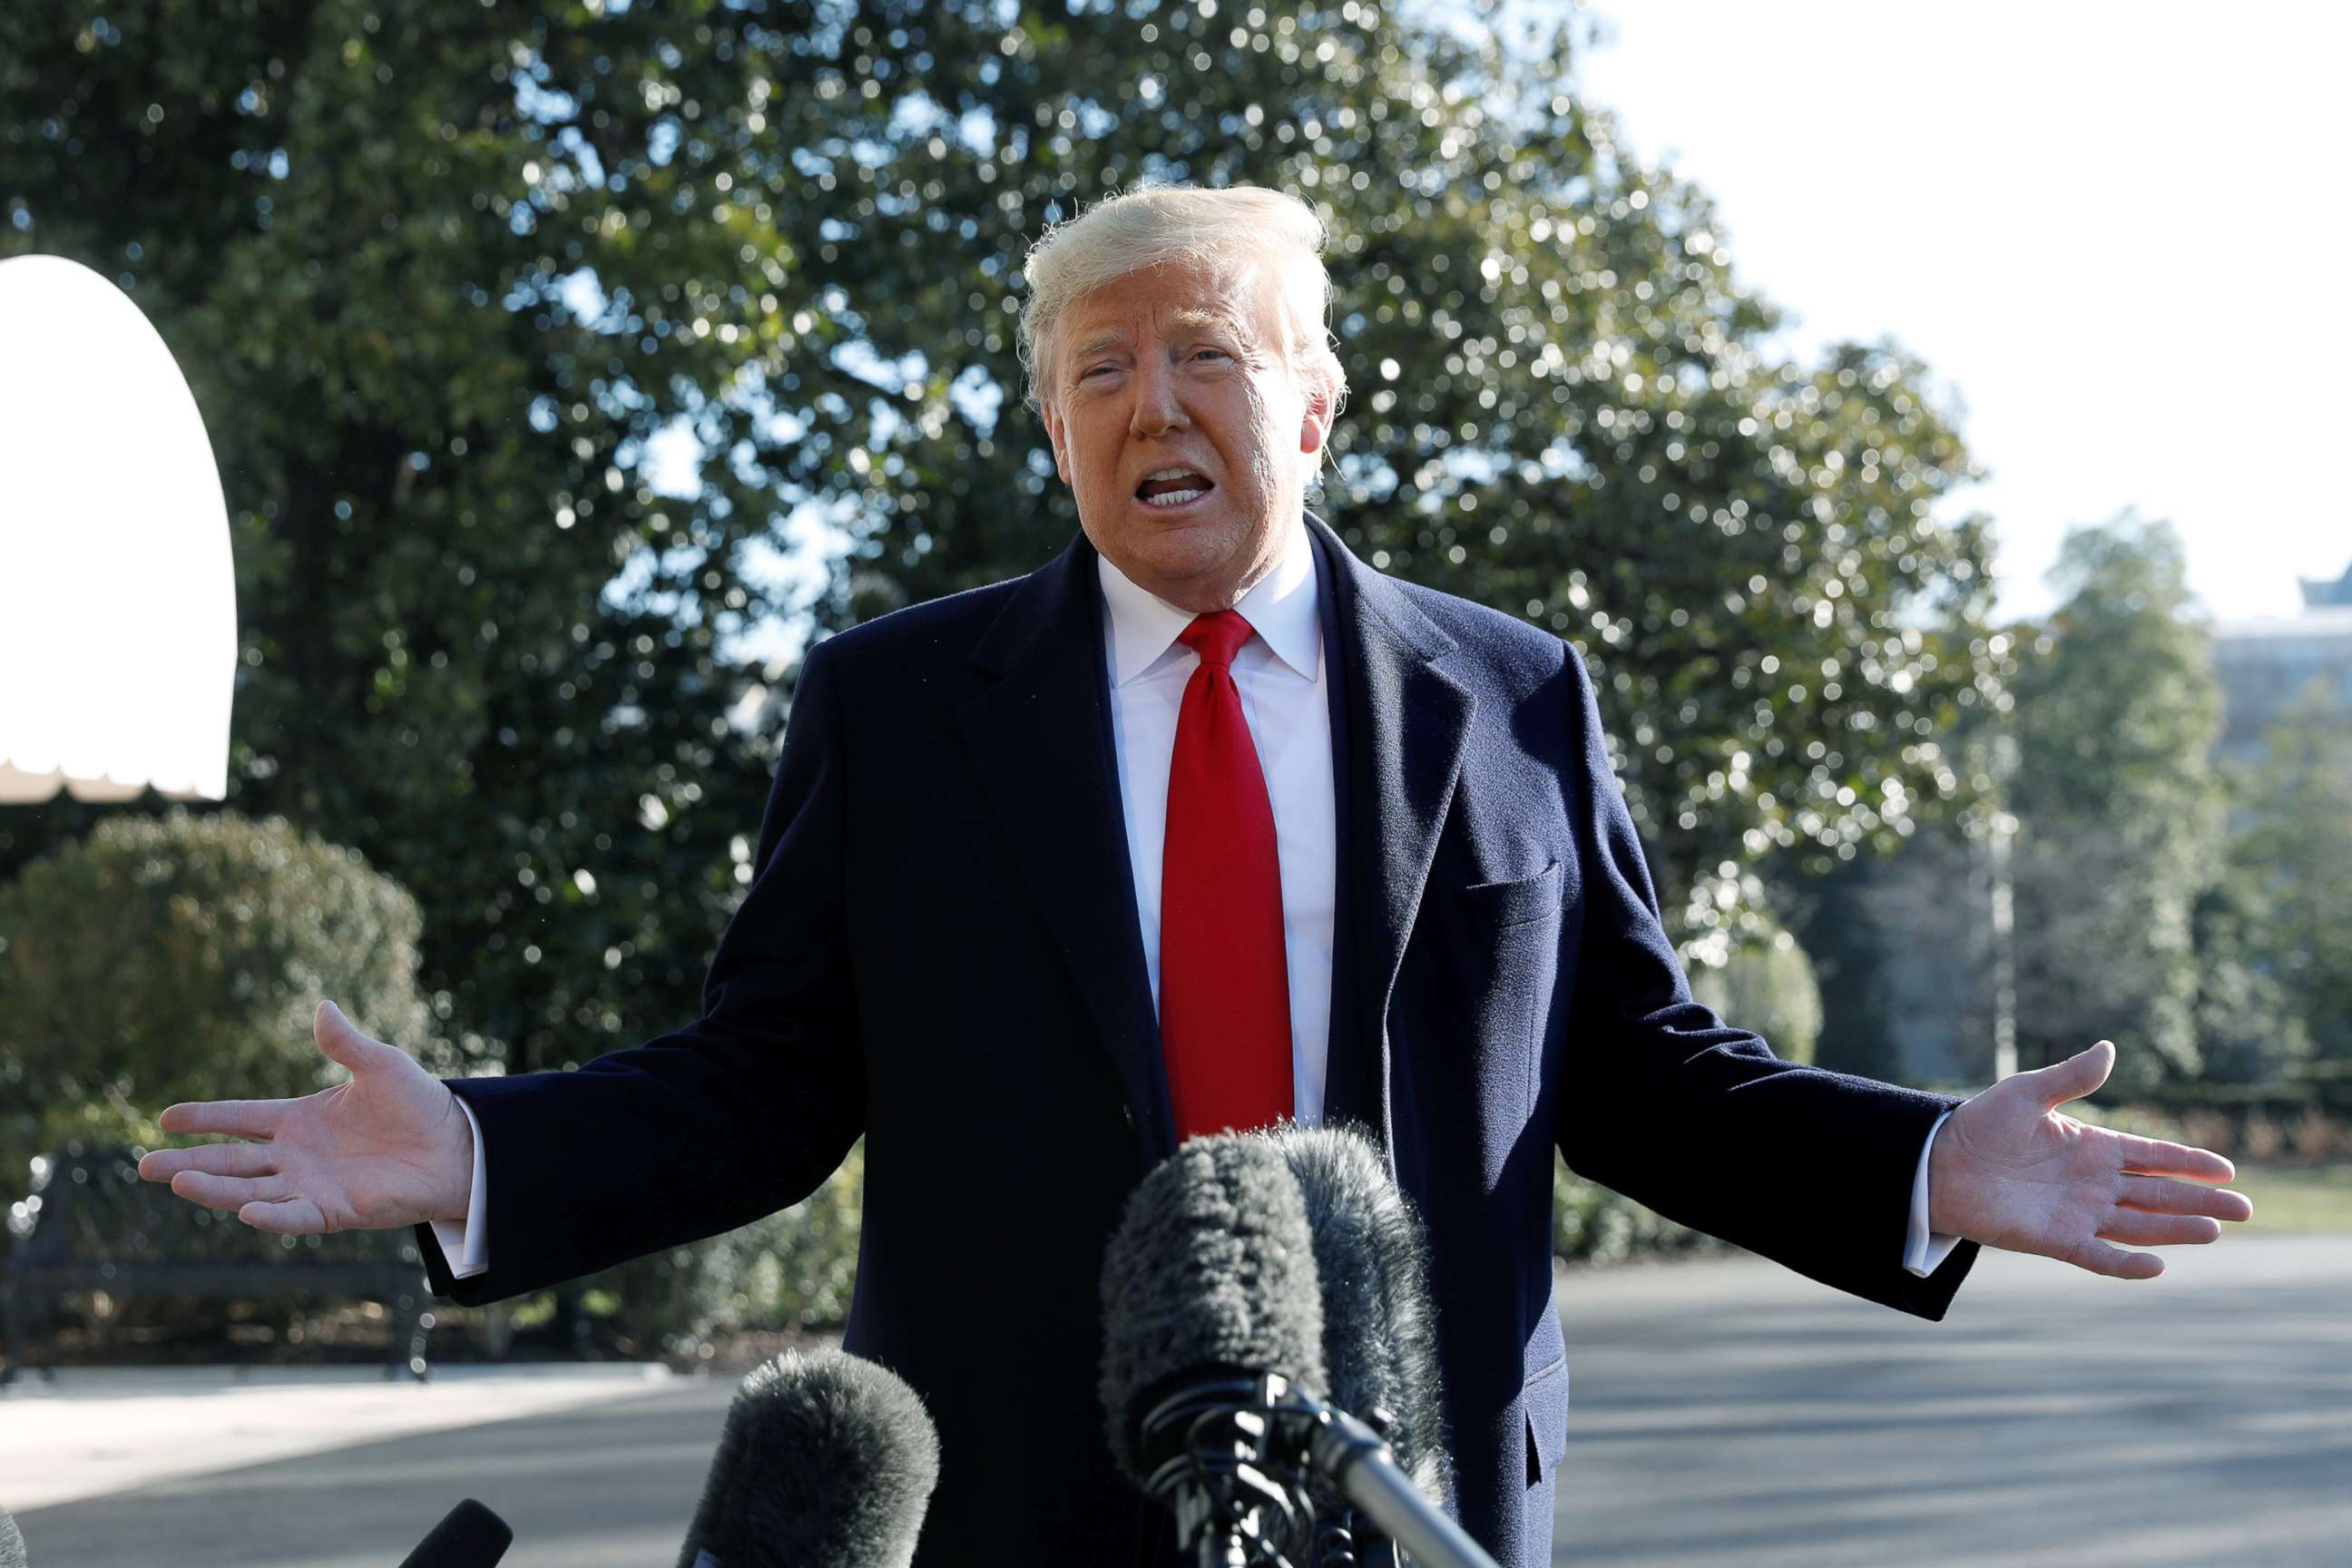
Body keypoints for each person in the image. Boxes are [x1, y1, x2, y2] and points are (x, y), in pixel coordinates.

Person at [140, 184, 2251, 1566]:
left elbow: (1634, 1070)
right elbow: (767, 1081)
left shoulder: (1511, 700)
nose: (1154, 402)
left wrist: (1918, 1166)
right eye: (1100, 371)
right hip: (1015, 1491)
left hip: (1412, 1480)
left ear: (1315, 401)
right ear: (1053, 428)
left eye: (1206, 354)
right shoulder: (897, 708)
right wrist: (478, 1153)